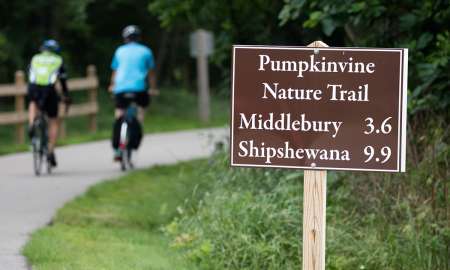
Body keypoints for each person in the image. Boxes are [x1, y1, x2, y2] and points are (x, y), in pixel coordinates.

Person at [108, 25, 157, 160]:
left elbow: (115, 71)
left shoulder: (119, 51)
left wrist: (112, 85)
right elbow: (151, 73)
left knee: (119, 112)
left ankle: (118, 148)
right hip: (139, 88)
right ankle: (137, 127)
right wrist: (152, 88)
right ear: (139, 38)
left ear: (125, 39)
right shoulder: (146, 51)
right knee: (141, 109)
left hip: (121, 88)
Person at [27, 39, 71, 167]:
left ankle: (31, 124)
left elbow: (30, 73)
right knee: (53, 120)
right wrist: (66, 96)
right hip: (49, 89)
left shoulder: (35, 58)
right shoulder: (58, 60)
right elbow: (63, 82)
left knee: (33, 102)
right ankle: (51, 151)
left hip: (34, 87)